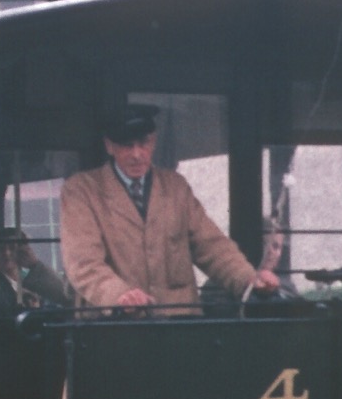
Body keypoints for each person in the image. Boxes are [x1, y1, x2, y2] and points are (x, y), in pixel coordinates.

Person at [59, 104, 279, 314]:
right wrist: (119, 295)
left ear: (153, 142)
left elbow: (212, 246)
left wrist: (249, 280)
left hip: (179, 326)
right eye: (127, 145)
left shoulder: (176, 187)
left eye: (143, 143)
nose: (137, 154)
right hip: (114, 330)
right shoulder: (81, 191)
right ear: (109, 145)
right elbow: (83, 263)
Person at [0, 227, 70, 314]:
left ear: (23, 251)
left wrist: (35, 265)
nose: (6, 253)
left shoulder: (34, 279)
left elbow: (62, 295)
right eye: (2, 249)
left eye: (12, 248)